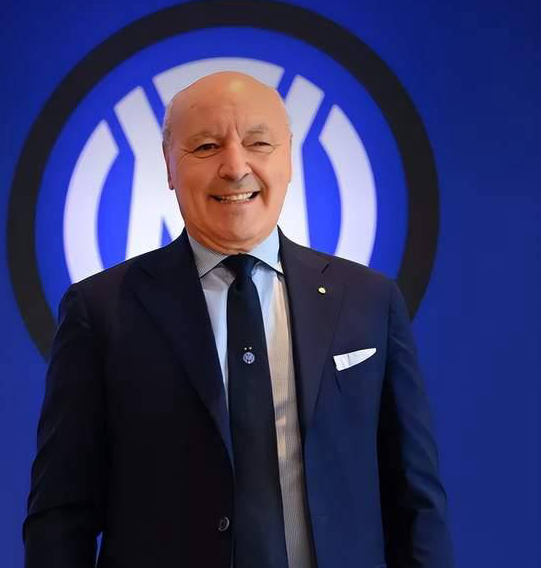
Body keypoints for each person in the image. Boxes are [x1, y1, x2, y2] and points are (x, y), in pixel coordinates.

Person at [23, 71, 454, 568]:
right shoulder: (100, 310)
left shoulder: (370, 300)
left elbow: (416, 502)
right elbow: (61, 516)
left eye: (258, 143)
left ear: (288, 158)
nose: (235, 167)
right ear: (168, 165)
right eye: (206, 147)